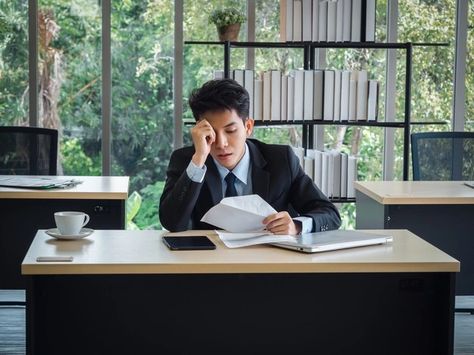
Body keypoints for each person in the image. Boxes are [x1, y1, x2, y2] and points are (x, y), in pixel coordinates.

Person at [159, 79, 341, 233]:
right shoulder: (187, 161)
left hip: (267, 266)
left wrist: (297, 225)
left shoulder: (280, 160)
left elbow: (329, 214)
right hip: (209, 267)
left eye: (230, 130)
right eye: (211, 133)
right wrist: (199, 160)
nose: (221, 143)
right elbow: (172, 223)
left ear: (248, 127)